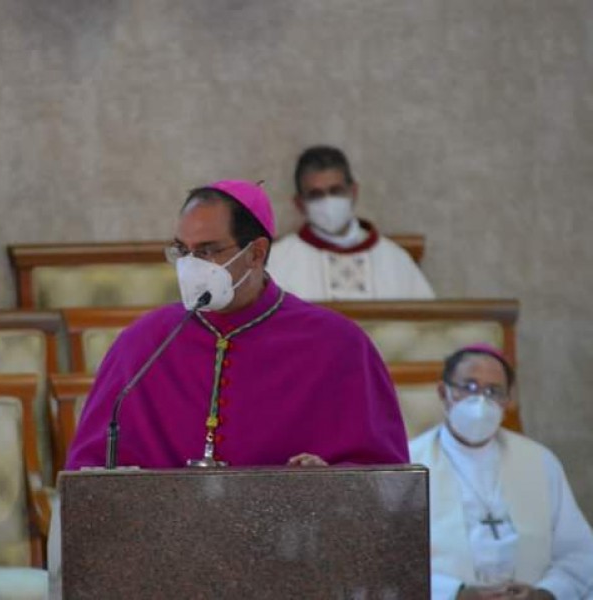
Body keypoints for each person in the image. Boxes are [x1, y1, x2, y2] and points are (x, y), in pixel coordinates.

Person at [65, 179, 409, 470]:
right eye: (181, 250)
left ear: (256, 253)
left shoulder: (337, 345)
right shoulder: (143, 343)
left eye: (208, 250)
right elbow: (90, 472)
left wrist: (327, 483)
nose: (190, 265)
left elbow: (382, 479)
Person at [409, 344, 593, 600]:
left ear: (507, 402)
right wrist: (455, 594)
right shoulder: (409, 465)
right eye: (469, 387)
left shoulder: (539, 461)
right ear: (444, 392)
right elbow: (388, 561)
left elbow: (579, 552)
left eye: (493, 391)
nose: (481, 401)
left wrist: (545, 593)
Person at [267, 145, 435, 300]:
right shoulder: (278, 262)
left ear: (354, 191)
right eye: (316, 194)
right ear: (299, 203)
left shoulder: (395, 261)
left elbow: (426, 324)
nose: (328, 201)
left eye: (336, 191)